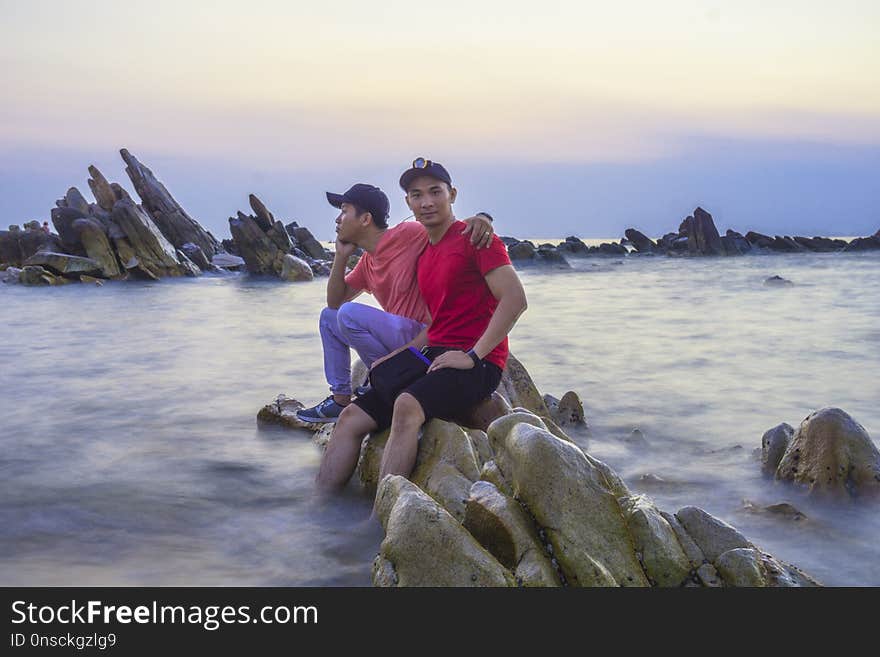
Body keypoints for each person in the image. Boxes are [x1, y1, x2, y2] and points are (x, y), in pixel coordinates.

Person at [316, 158, 527, 496]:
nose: (426, 202)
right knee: (352, 417)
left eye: (435, 192)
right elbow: (435, 321)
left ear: (452, 194)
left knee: (407, 405)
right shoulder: (426, 253)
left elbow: (515, 300)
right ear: (408, 203)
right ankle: (321, 513)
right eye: (417, 195)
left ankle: (383, 518)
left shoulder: (475, 238)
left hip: (478, 361)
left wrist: (472, 356)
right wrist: (400, 356)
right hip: (431, 353)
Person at [295, 183, 495, 423]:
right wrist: (340, 256)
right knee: (329, 316)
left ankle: (385, 382)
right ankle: (340, 399)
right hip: (402, 342)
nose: (338, 219)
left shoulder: (408, 234)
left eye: (344, 211)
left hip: (430, 339)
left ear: (366, 219)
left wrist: (482, 218)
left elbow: (449, 231)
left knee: (349, 314)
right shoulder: (368, 261)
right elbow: (334, 302)